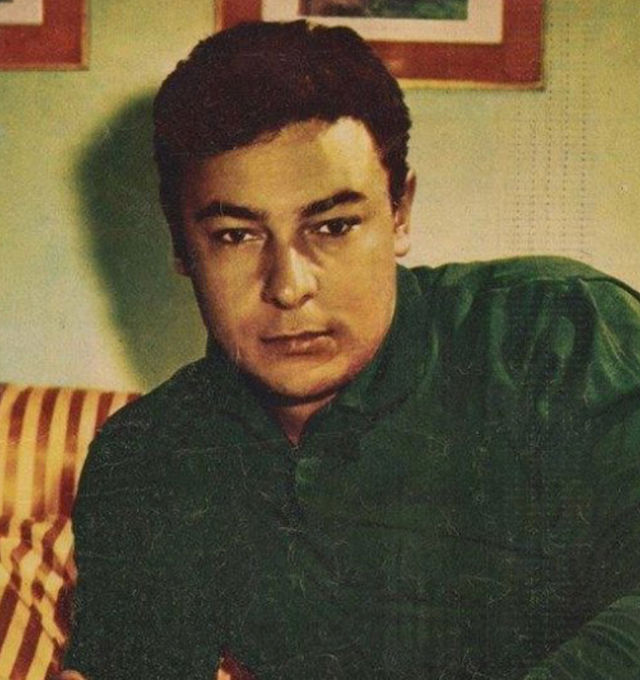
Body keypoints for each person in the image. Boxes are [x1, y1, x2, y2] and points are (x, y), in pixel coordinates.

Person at [61, 19, 640, 680]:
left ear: (400, 213)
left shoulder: (555, 335)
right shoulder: (148, 456)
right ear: (180, 247)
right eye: (235, 236)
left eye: (333, 226)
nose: (289, 286)